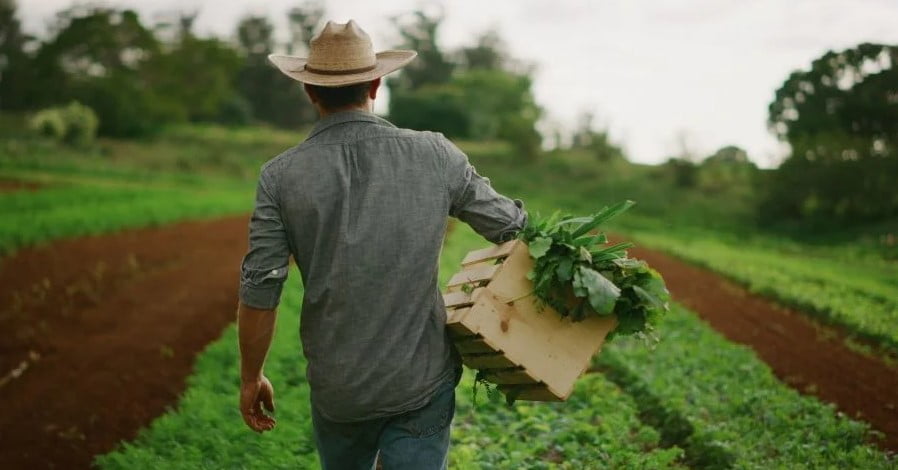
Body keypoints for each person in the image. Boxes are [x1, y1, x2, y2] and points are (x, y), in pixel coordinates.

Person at [236, 20, 526, 469]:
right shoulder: (436, 154)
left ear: (310, 92)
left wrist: (250, 377)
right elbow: (511, 227)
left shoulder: (280, 176)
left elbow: (261, 288)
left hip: (339, 389)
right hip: (420, 383)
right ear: (375, 83)